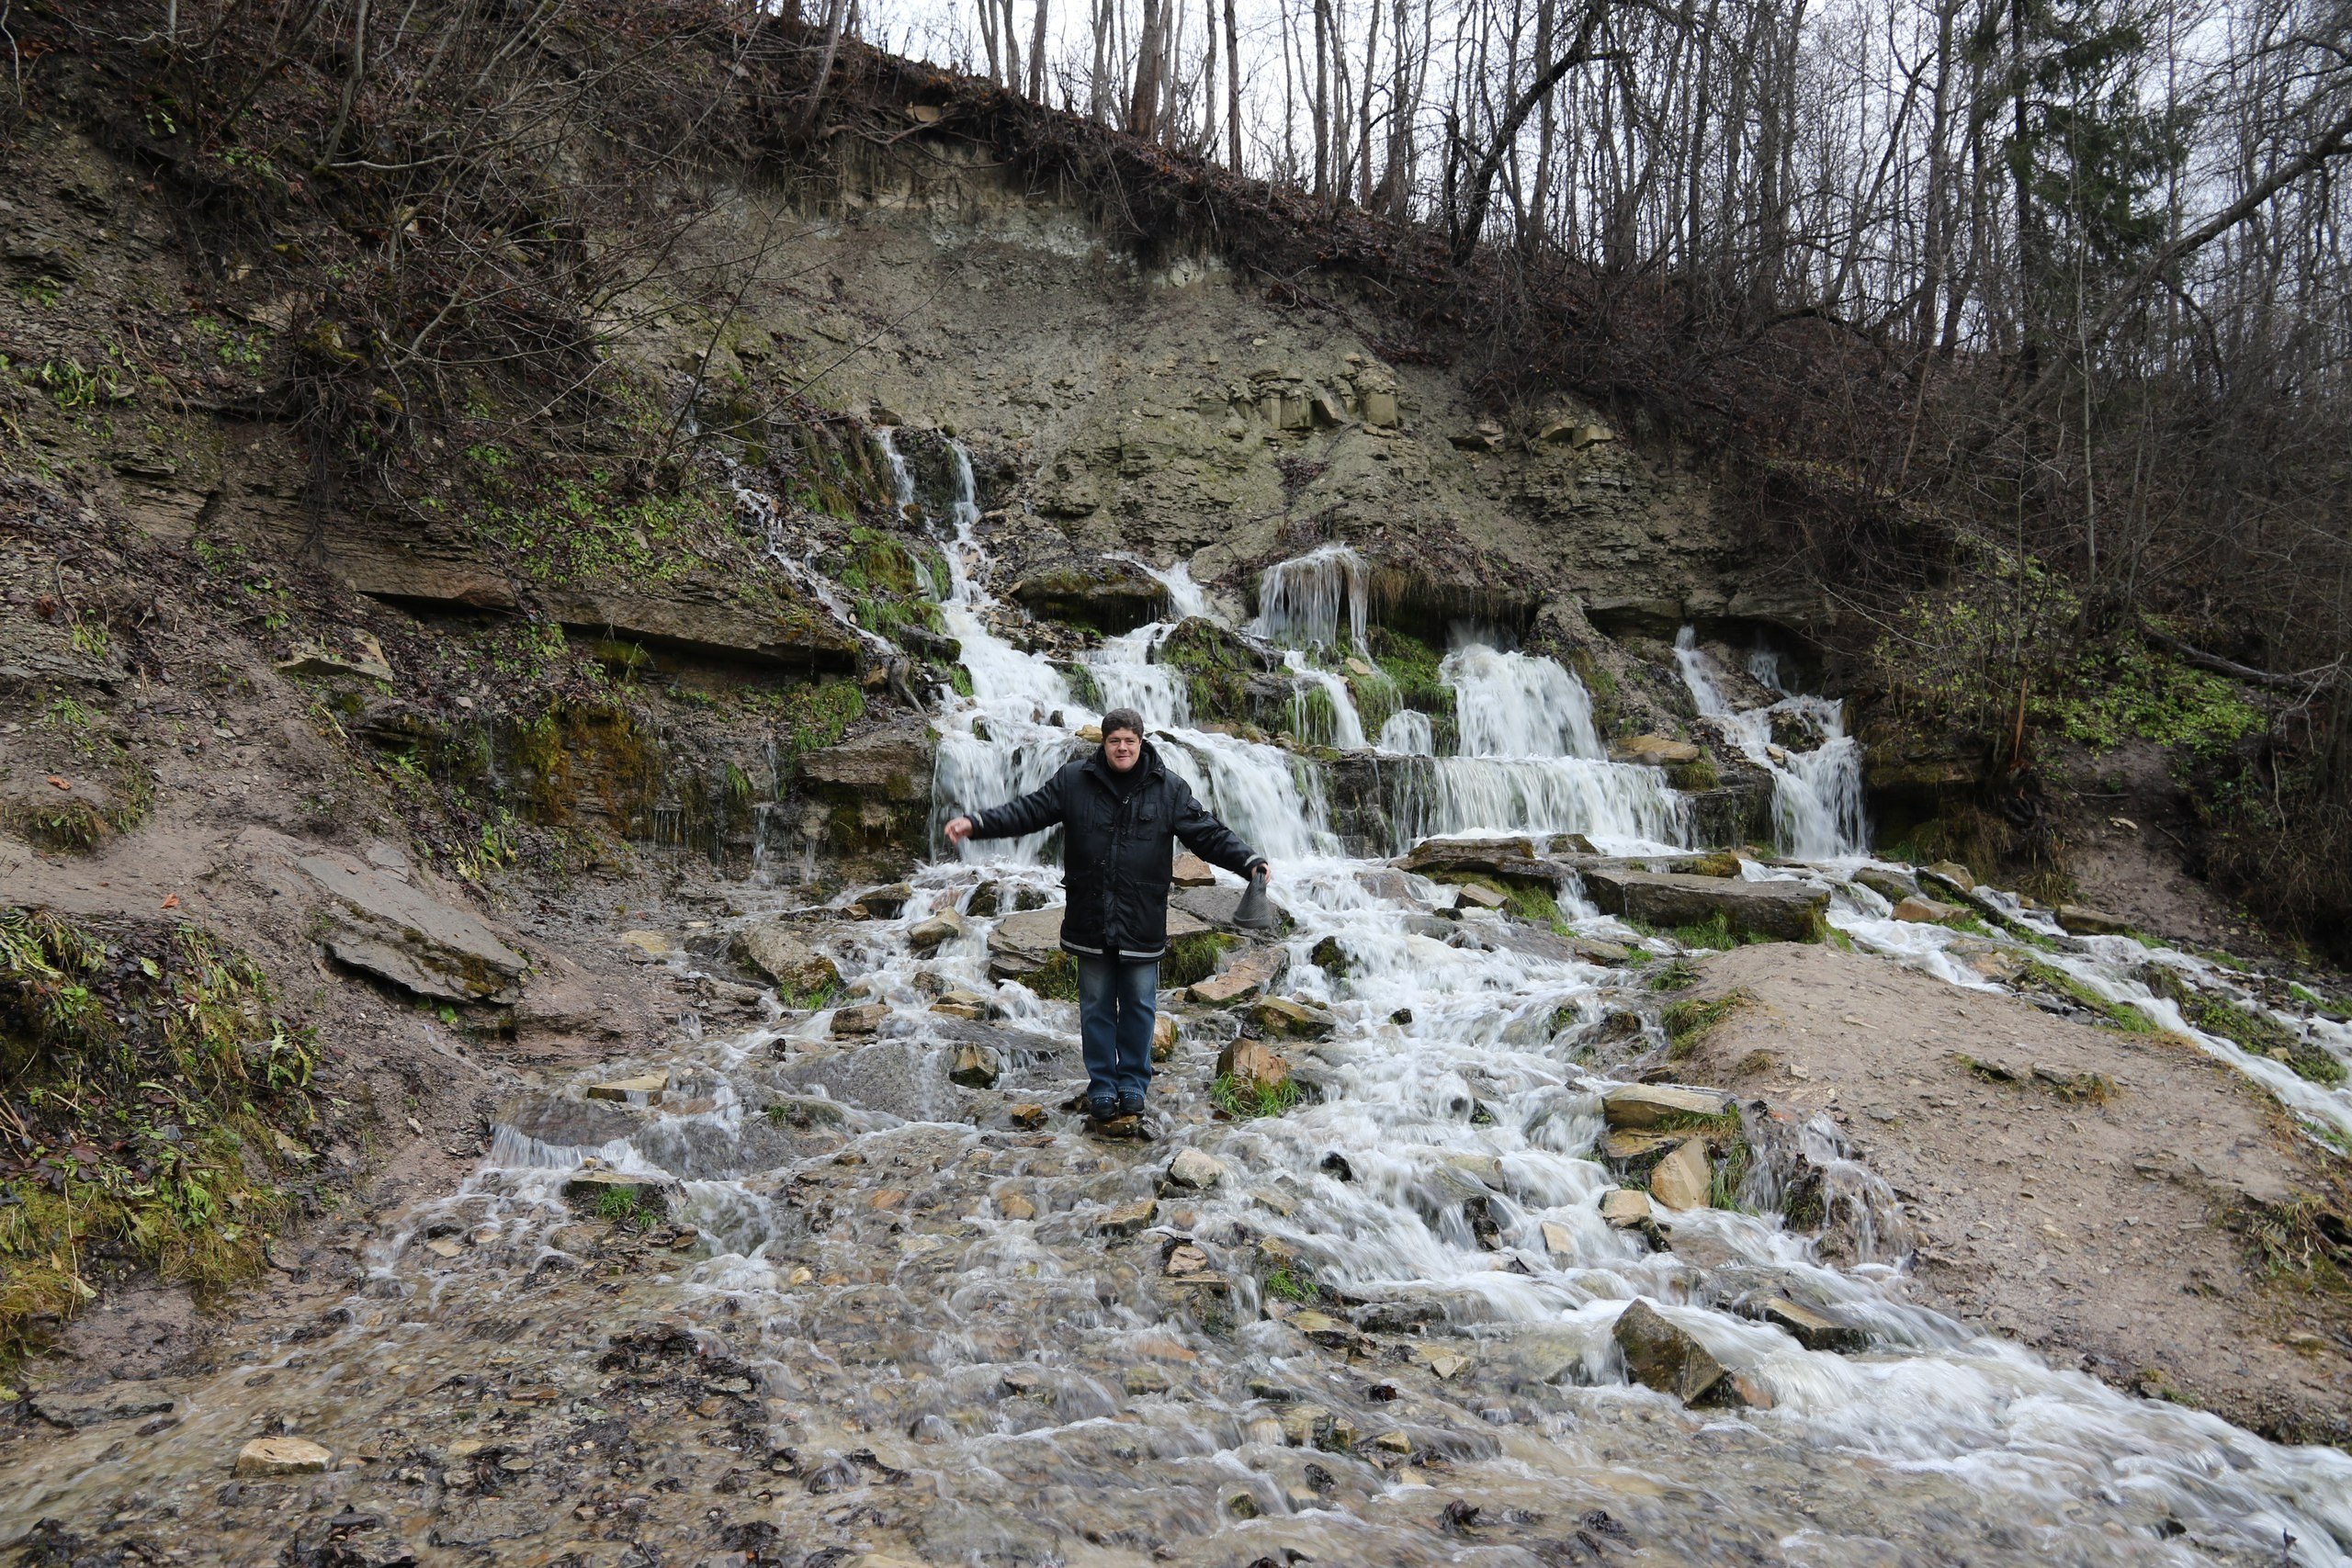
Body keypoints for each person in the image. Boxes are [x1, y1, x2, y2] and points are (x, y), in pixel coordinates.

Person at [944, 707, 1269, 1133]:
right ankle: (1101, 1086)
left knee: (1139, 1005)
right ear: (1104, 743)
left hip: (1142, 917)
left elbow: (1206, 833)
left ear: (1140, 742)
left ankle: (1133, 1083)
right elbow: (1029, 812)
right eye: (1114, 740)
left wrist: (1248, 860)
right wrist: (977, 823)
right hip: (1090, 914)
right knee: (1096, 1007)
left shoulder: (1168, 788)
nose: (1122, 748)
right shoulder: (1075, 781)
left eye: (1129, 741)